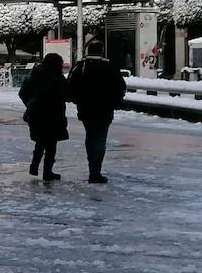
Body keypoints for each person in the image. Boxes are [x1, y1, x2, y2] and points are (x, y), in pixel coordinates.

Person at [67, 40, 127, 183]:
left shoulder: (80, 66)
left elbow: (69, 86)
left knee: (90, 136)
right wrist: (115, 102)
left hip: (85, 108)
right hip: (104, 110)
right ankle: (96, 171)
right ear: (101, 51)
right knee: (100, 138)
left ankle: (92, 168)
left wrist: (78, 100)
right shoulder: (109, 66)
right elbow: (120, 86)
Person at [19, 52, 68, 182]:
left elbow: (23, 92)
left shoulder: (34, 74)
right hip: (53, 114)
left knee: (40, 142)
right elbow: (65, 94)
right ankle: (47, 172)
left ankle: (34, 166)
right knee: (51, 144)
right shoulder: (57, 77)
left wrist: (30, 104)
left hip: (36, 114)